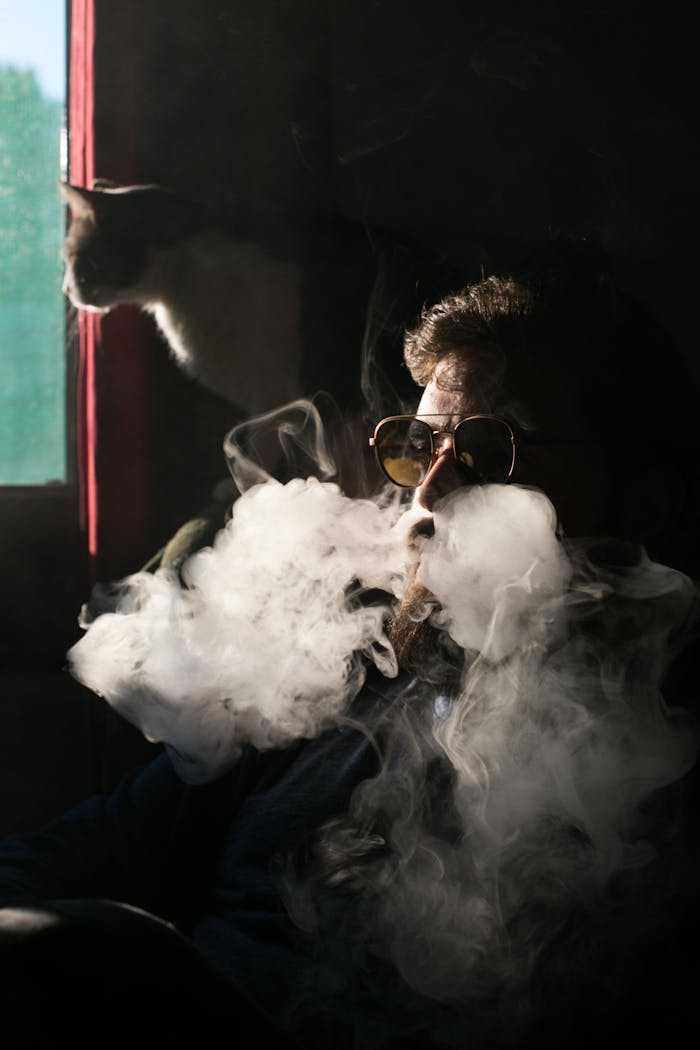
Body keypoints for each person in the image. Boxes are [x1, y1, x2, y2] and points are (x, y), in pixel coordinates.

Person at [1, 238, 699, 1048]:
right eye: (416, 448)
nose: (429, 495)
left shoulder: (660, 779)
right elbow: (89, 850)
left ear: (647, 509)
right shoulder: (341, 677)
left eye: (487, 454)